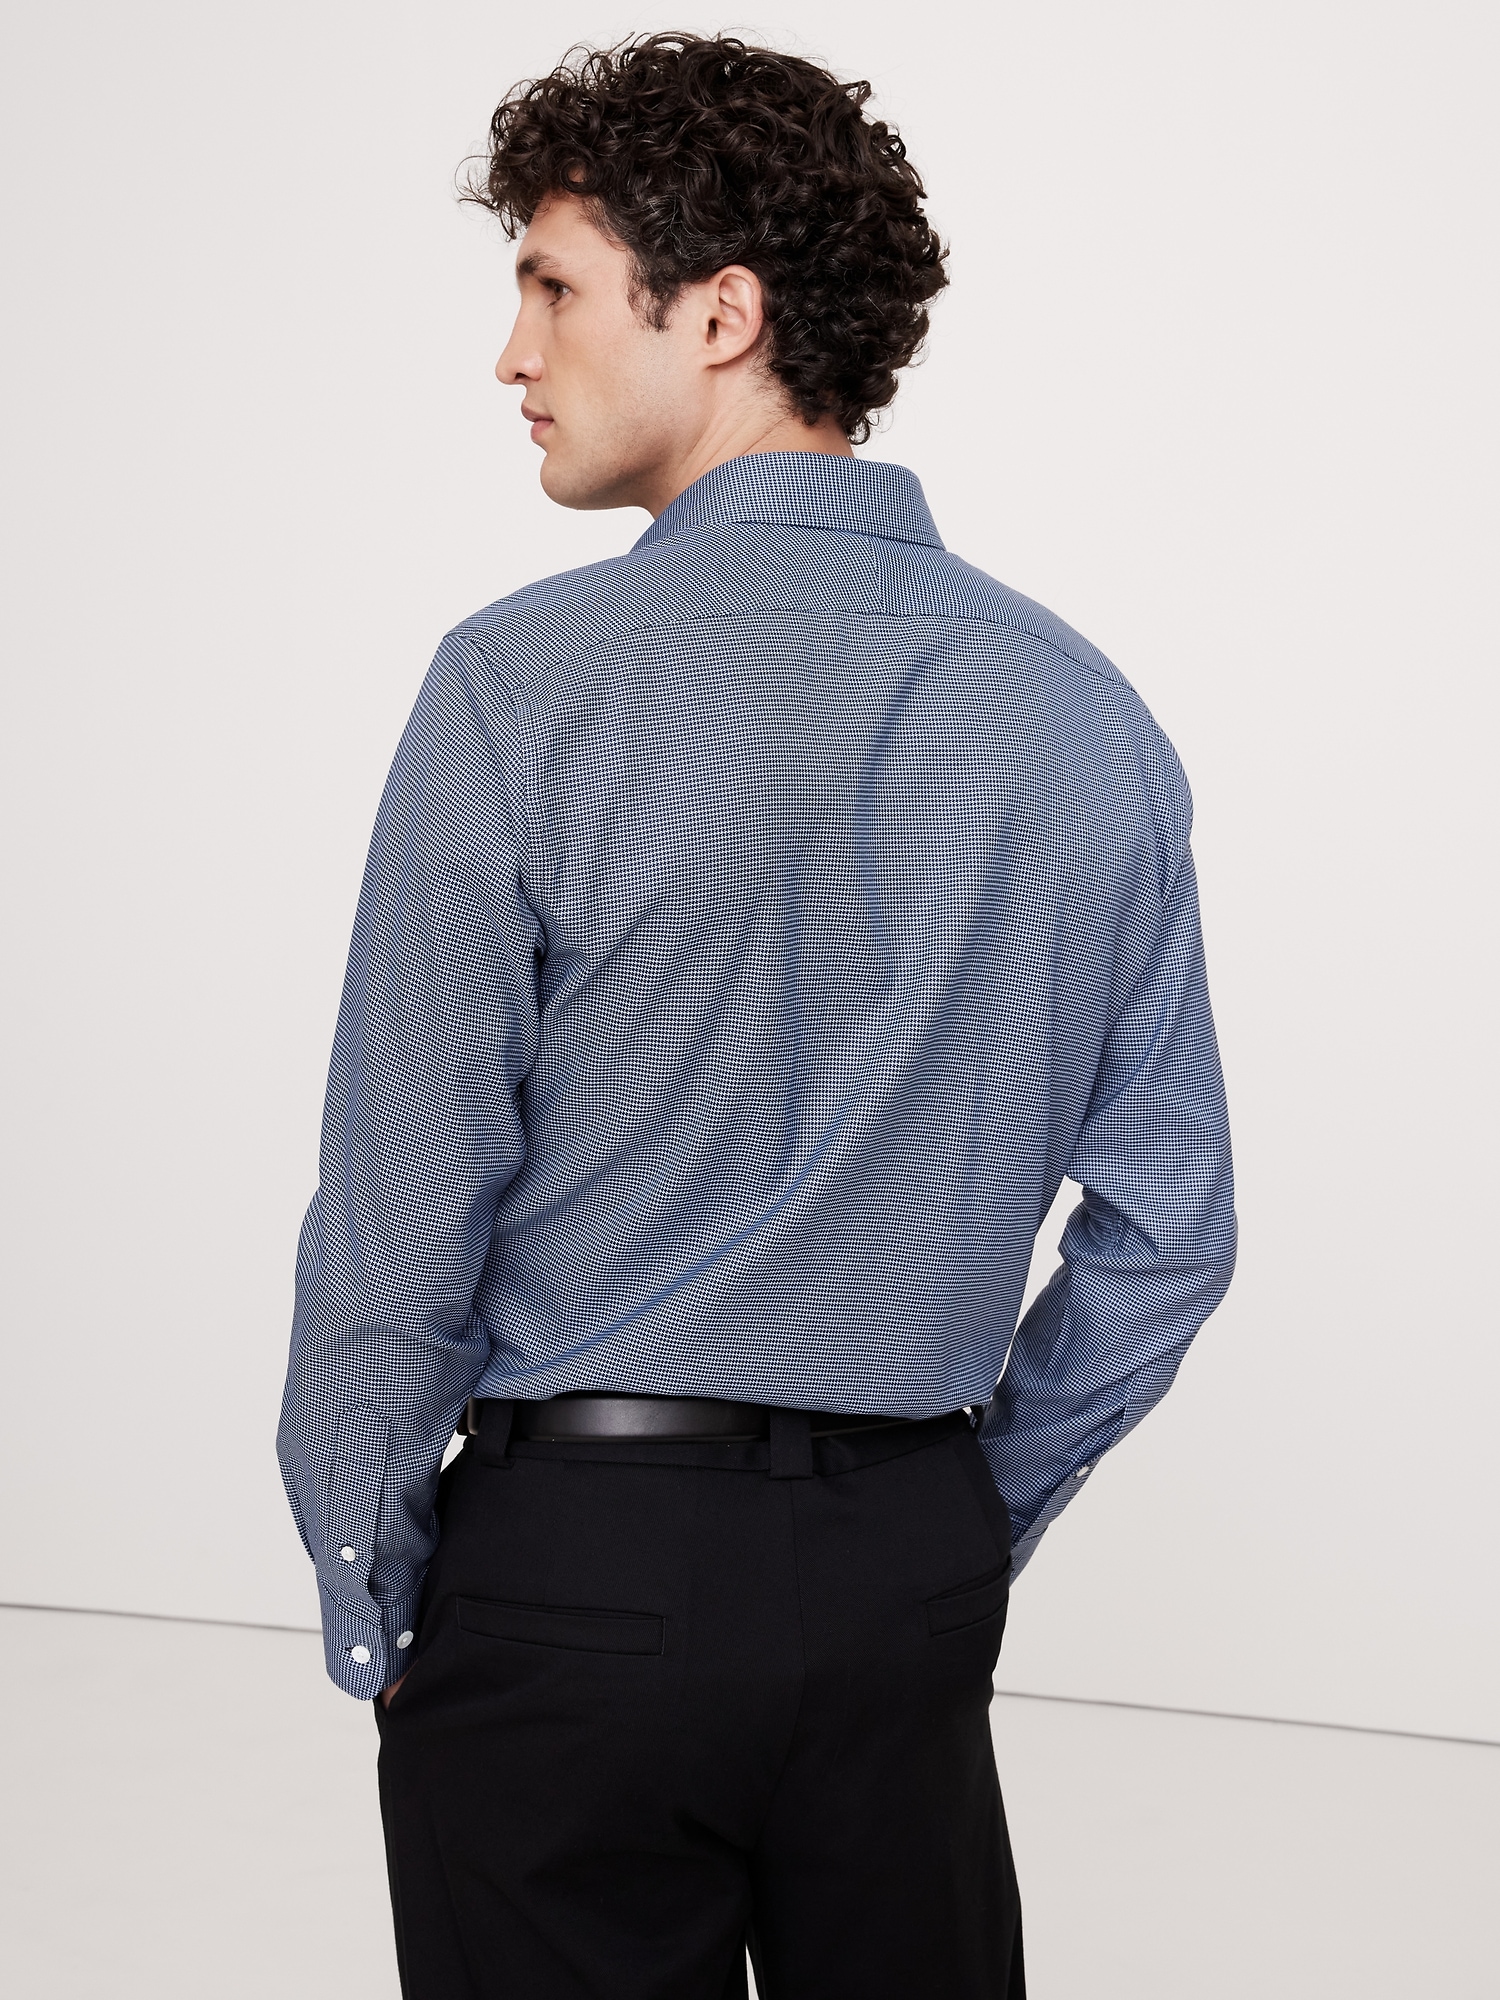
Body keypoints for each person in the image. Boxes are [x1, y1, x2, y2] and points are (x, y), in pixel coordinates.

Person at [277, 33, 1235, 2000]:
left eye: (553, 288)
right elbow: (1169, 1233)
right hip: (900, 1582)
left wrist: (384, 1585)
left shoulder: (516, 687)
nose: (512, 354)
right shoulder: (1087, 716)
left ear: (721, 315)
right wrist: (951, 1516)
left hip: (570, 1574)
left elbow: (398, 1224)